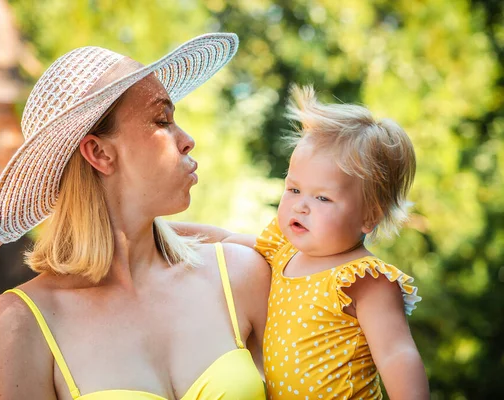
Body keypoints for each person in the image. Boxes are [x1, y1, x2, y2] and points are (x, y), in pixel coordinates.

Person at [0, 33, 270, 400]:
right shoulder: (19, 324)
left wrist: (222, 237)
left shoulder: (238, 272)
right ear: (99, 153)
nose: (187, 139)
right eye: (161, 120)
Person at [174, 85, 430, 399]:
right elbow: (223, 239)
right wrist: (159, 231)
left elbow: (397, 355)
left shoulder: (363, 279)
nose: (301, 205)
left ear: (369, 216)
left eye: (322, 197)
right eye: (294, 189)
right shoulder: (282, 250)